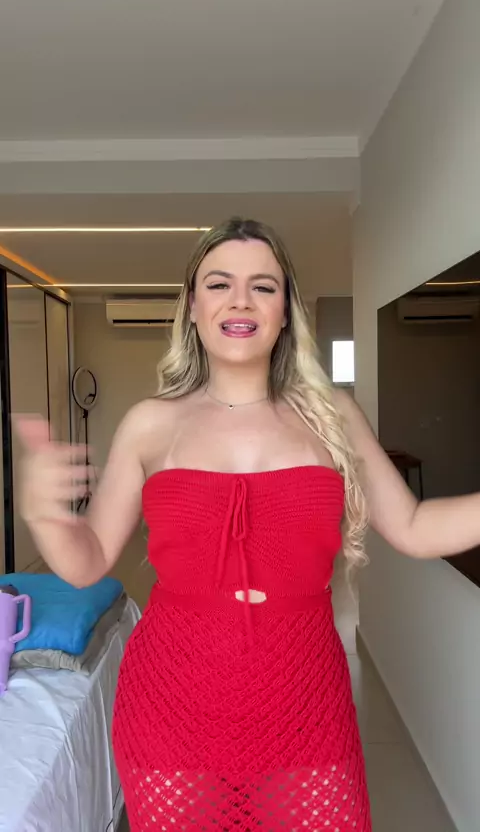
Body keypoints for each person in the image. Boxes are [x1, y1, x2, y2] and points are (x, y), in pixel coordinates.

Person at [16, 217, 480, 832]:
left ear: (285, 311)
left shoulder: (332, 415)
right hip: (173, 702)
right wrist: (43, 515)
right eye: (219, 284)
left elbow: (416, 525)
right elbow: (90, 558)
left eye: (263, 286)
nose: (240, 300)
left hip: (306, 700)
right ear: (192, 307)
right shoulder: (150, 423)